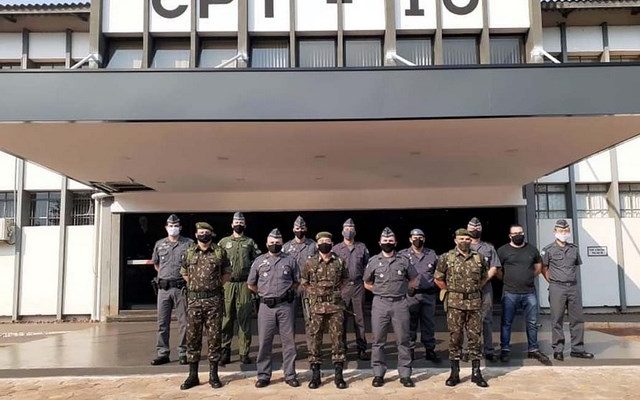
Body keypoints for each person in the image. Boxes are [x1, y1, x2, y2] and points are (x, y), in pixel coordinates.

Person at [434, 228, 489, 388]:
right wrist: (450, 291)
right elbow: (438, 277)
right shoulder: (446, 257)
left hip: (474, 304)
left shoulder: (479, 258)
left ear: (471, 241)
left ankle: (476, 373)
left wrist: (475, 288)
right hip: (455, 305)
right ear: (455, 240)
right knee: (455, 337)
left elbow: (484, 276)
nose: (464, 241)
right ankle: (454, 372)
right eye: (461, 238)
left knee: (475, 337)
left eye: (467, 239)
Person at [363, 227, 417, 388]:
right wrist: (380, 291)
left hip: (400, 303)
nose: (388, 243)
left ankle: (405, 374)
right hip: (380, 303)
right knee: (378, 340)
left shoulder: (403, 260)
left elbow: (414, 279)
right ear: (380, 243)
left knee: (403, 340)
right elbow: (367, 283)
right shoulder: (373, 261)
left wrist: (403, 290)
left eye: (391, 241)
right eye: (385, 241)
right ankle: (378, 373)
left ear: (395, 242)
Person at [180, 222, 231, 390]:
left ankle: (213, 375)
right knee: (192, 338)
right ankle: (192, 375)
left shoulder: (219, 252)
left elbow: (226, 273)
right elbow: (184, 273)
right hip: (194, 302)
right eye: (200, 232)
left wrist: (213, 287)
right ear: (196, 235)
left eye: (206, 232)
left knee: (214, 338)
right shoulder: (188, 252)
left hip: (213, 302)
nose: (203, 235)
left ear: (212, 234)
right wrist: (197, 288)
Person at [247, 229, 300, 388]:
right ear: (266, 244)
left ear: (282, 243)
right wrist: (264, 294)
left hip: (285, 306)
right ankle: (263, 375)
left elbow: (297, 281)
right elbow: (251, 284)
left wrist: (288, 292)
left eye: (277, 243)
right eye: (271, 243)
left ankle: (290, 374)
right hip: (266, 307)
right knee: (265, 342)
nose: (274, 245)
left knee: (289, 342)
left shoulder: (290, 260)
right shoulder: (259, 261)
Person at [496, 224, 551, 365]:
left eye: (520, 232)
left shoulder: (532, 249)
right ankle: (505, 349)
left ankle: (533, 349)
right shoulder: (502, 251)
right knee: (506, 323)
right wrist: (509, 279)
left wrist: (527, 277)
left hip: (529, 292)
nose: (518, 235)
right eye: (515, 233)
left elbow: (538, 267)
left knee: (532, 322)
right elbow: (497, 270)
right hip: (509, 292)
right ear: (510, 235)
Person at [541, 219, 594, 361]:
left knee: (577, 319)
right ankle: (558, 349)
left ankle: (578, 349)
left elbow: (575, 266)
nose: (563, 233)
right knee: (557, 319)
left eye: (565, 231)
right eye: (560, 231)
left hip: (573, 287)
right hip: (557, 287)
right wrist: (552, 281)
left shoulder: (574, 249)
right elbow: (543, 268)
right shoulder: (548, 250)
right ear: (555, 232)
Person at [301, 231, 349, 389]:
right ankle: (315, 375)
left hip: (335, 307)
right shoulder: (310, 263)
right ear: (317, 244)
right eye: (321, 241)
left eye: (327, 241)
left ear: (332, 244)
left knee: (338, 340)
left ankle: (338, 375)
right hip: (316, 308)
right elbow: (304, 282)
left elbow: (345, 280)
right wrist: (315, 293)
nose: (324, 244)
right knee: (315, 340)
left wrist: (334, 294)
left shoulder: (340, 262)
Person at [218, 212, 261, 365]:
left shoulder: (249, 242)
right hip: (228, 284)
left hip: (244, 284)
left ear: (245, 225)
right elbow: (217, 262)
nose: (238, 224)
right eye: (236, 222)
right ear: (231, 224)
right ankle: (225, 350)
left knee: (244, 318)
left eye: (241, 222)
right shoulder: (223, 242)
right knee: (226, 318)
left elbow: (257, 262)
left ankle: (244, 352)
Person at [150, 214, 193, 366]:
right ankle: (163, 353)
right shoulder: (160, 244)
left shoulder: (188, 244)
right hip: (164, 289)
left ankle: (183, 352)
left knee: (184, 322)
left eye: (176, 226)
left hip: (181, 288)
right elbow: (156, 264)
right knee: (162, 322)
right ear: (166, 227)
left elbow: (192, 264)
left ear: (180, 227)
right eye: (170, 226)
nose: (173, 228)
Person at [398, 228, 441, 363]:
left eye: (420, 237)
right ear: (410, 239)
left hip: (428, 295)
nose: (418, 240)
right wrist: (406, 287)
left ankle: (430, 350)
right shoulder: (402, 255)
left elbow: (438, 273)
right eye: (415, 237)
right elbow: (397, 274)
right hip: (411, 295)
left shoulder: (432, 254)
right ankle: (410, 351)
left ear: (424, 239)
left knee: (429, 324)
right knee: (409, 324)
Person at [332, 218, 370, 361]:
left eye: (351, 229)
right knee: (341, 320)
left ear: (355, 231)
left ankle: (362, 349)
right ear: (342, 231)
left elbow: (368, 266)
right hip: (342, 287)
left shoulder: (361, 247)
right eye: (346, 229)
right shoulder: (336, 249)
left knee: (359, 319)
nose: (349, 231)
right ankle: (342, 349)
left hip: (358, 286)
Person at [467, 217, 501, 361]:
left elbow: (494, 267)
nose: (475, 229)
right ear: (467, 229)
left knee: (486, 320)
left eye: (478, 227)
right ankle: (471, 349)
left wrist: (482, 282)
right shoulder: (462, 247)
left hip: (485, 288)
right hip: (467, 289)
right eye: (472, 227)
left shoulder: (489, 248)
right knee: (468, 320)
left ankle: (488, 350)